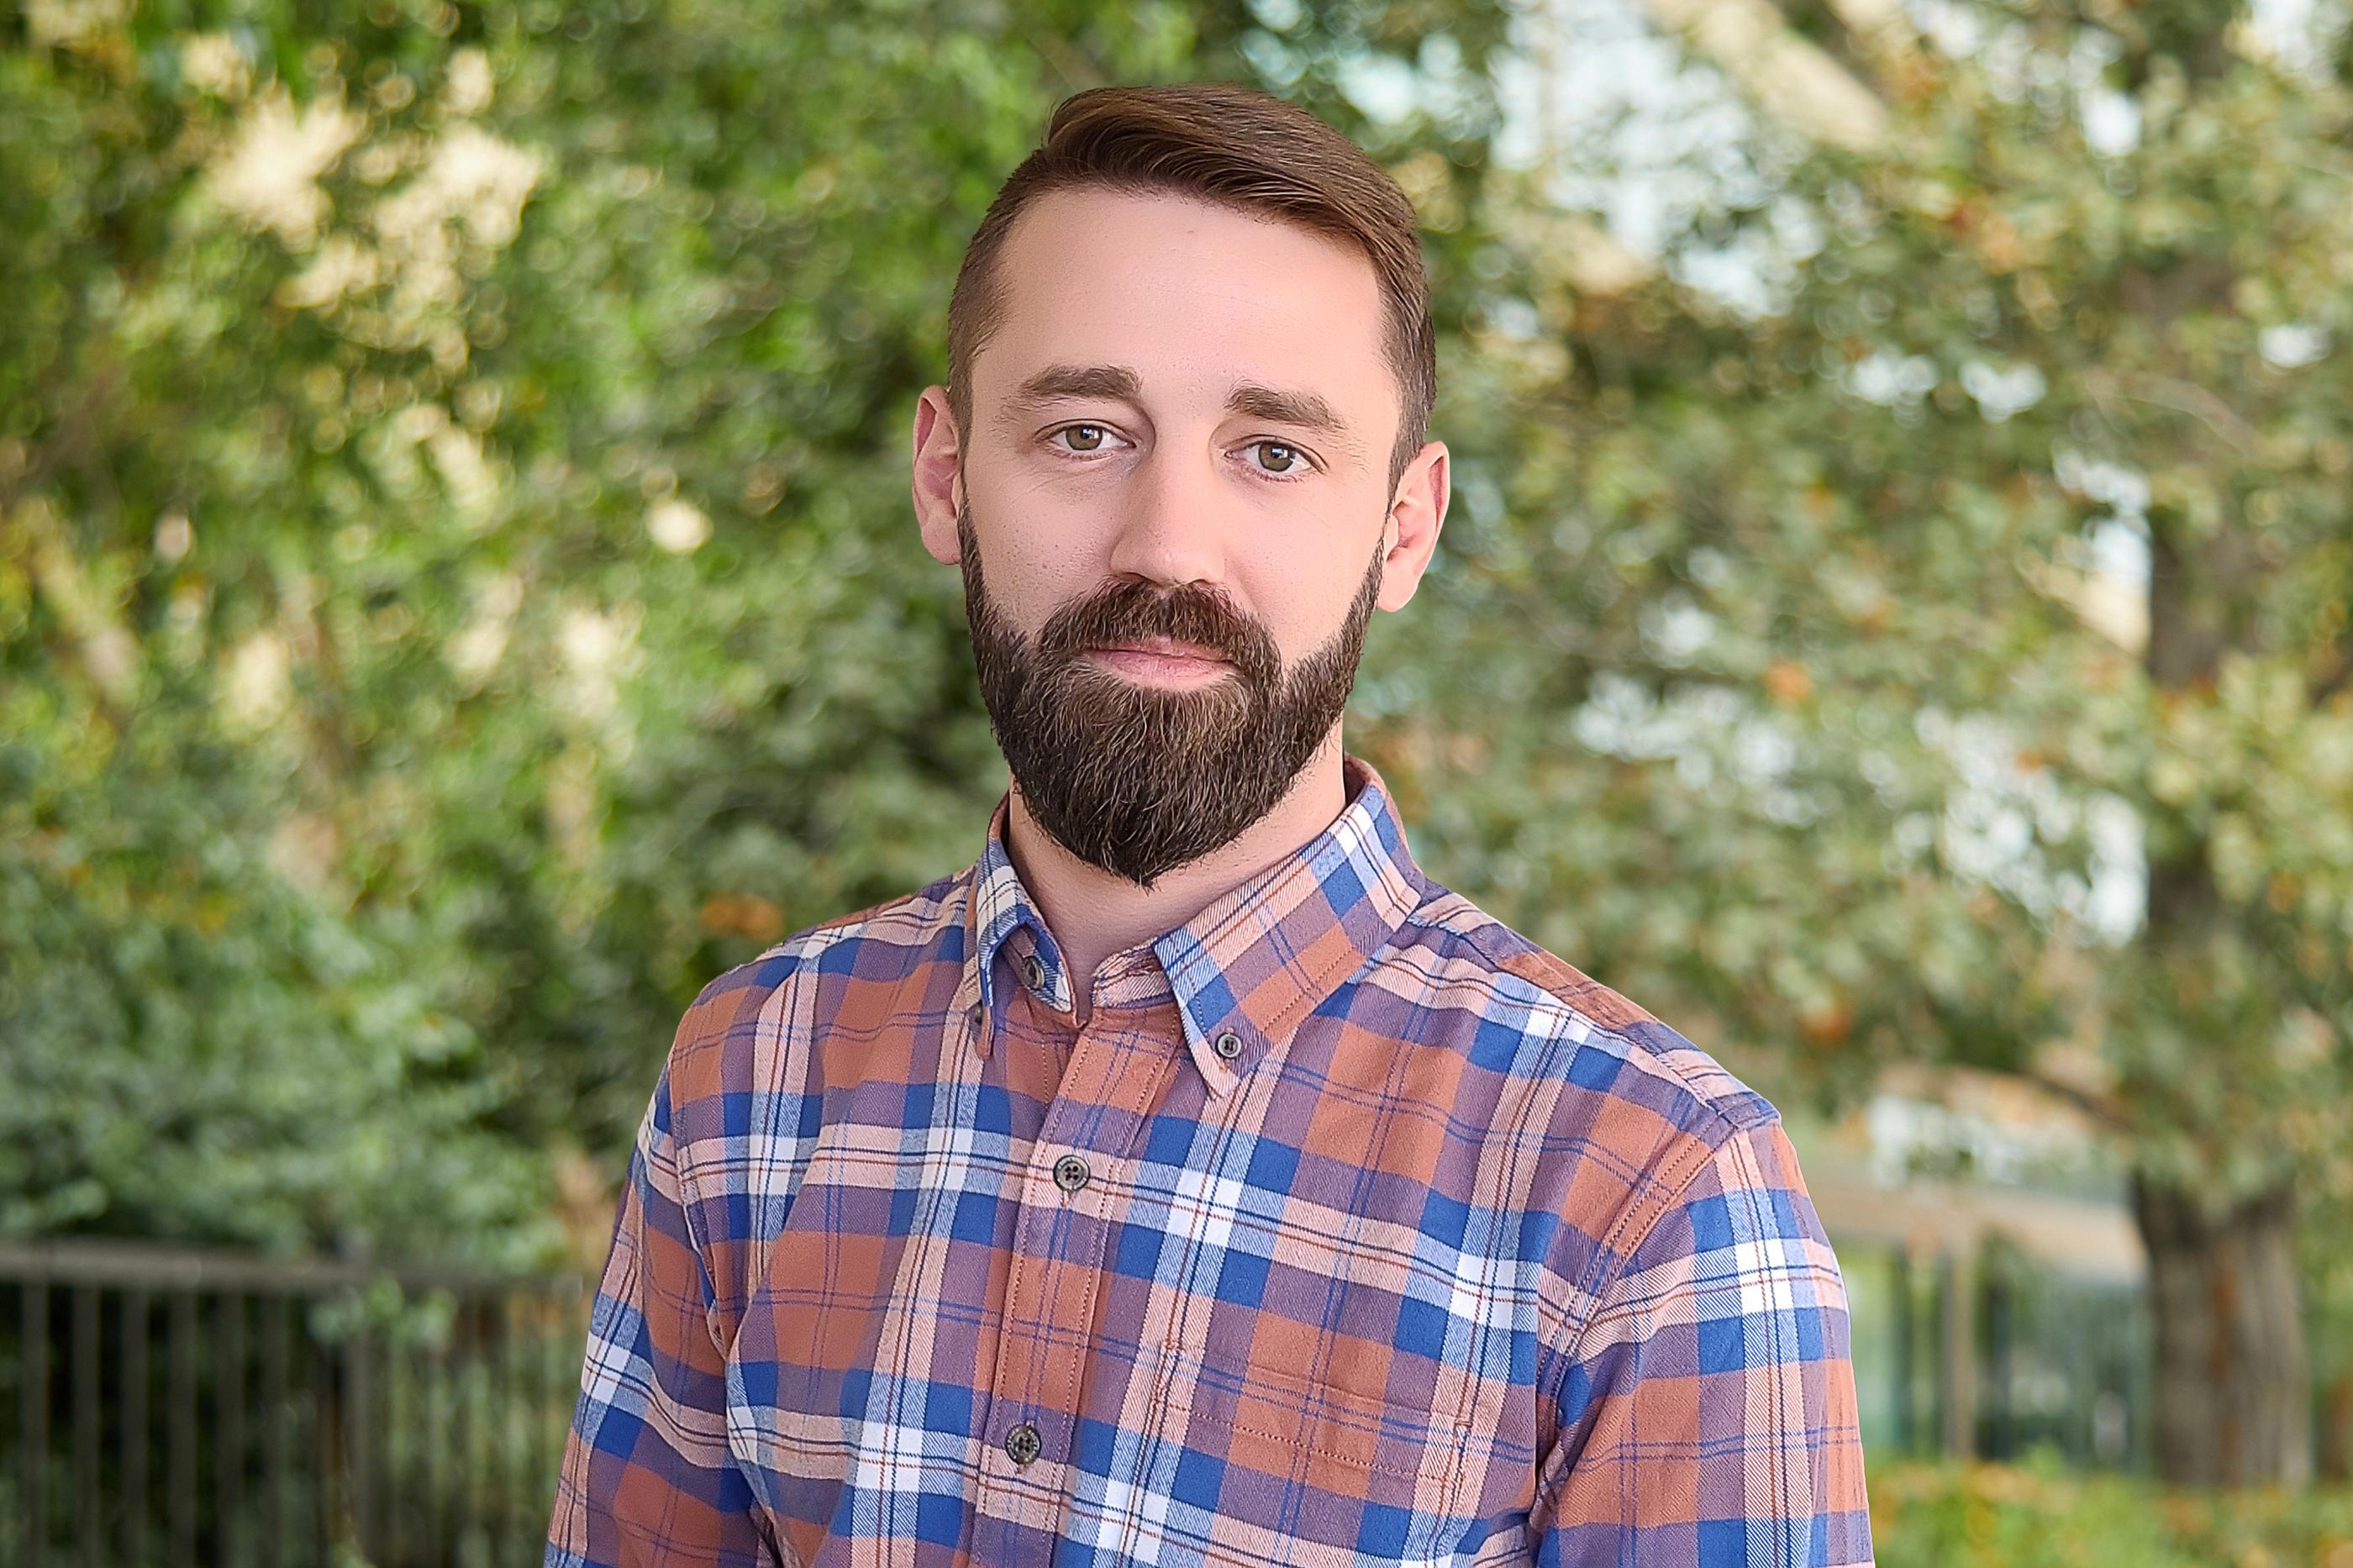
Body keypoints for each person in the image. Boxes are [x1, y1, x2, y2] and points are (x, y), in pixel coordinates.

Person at [546, 80, 1873, 1568]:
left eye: (1274, 452)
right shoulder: (753, 1070)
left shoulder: (1656, 1193)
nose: (1166, 545)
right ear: (945, 477)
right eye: (1085, 432)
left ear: (1405, 529)